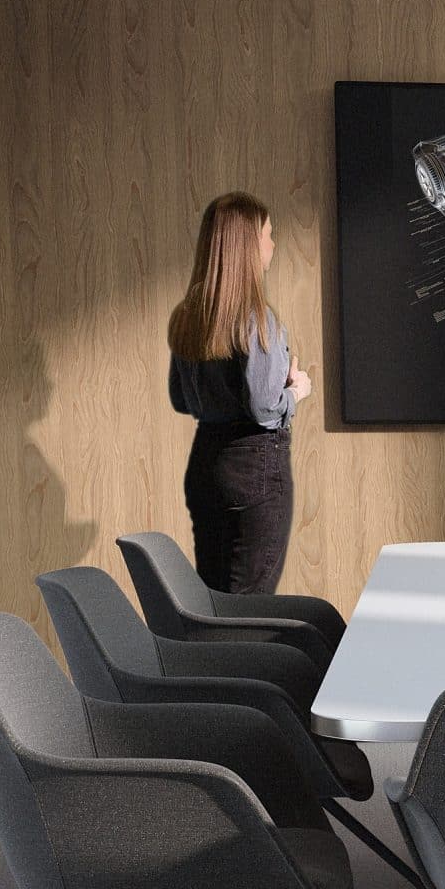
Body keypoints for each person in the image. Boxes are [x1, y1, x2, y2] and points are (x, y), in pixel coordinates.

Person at [167, 192, 308, 594]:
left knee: (212, 602)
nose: (273, 245)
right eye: (268, 235)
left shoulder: (188, 317)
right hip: (254, 468)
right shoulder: (258, 320)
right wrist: (296, 390)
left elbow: (181, 399)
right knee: (250, 605)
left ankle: (207, 660)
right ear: (249, 245)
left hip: (206, 465)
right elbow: (264, 409)